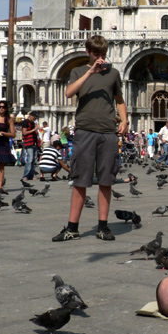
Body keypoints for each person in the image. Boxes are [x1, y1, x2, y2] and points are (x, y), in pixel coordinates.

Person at [52, 35, 127, 242]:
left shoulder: (113, 73)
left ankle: (103, 227)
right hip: (85, 130)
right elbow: (69, 93)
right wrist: (91, 71)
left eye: (103, 55)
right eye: (97, 55)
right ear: (88, 53)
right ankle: (72, 227)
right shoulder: (78, 71)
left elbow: (119, 100)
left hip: (108, 132)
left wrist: (125, 120)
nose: (101, 59)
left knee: (106, 180)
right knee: (80, 180)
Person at [20, 111, 40, 180]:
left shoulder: (33, 123)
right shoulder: (25, 122)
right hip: (28, 143)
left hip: (34, 143)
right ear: (30, 115)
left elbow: (36, 134)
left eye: (35, 117)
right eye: (34, 117)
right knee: (30, 159)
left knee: (33, 160)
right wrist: (34, 129)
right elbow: (24, 133)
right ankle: (26, 175)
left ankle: (31, 175)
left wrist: (36, 129)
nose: (34, 118)